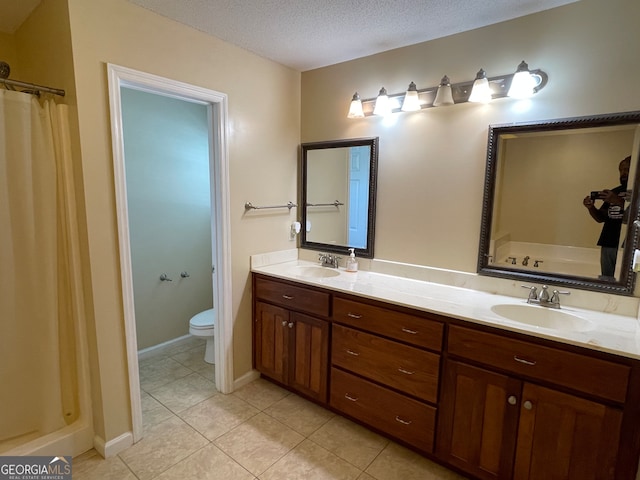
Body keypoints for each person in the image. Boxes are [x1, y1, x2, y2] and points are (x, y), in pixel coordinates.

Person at [582, 156, 631, 280]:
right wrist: (591, 208)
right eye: (620, 170)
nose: (623, 173)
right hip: (608, 241)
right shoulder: (614, 191)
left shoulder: (636, 193)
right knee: (606, 280)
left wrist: (619, 201)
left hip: (627, 245)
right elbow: (600, 218)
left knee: (625, 281)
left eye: (627, 169)